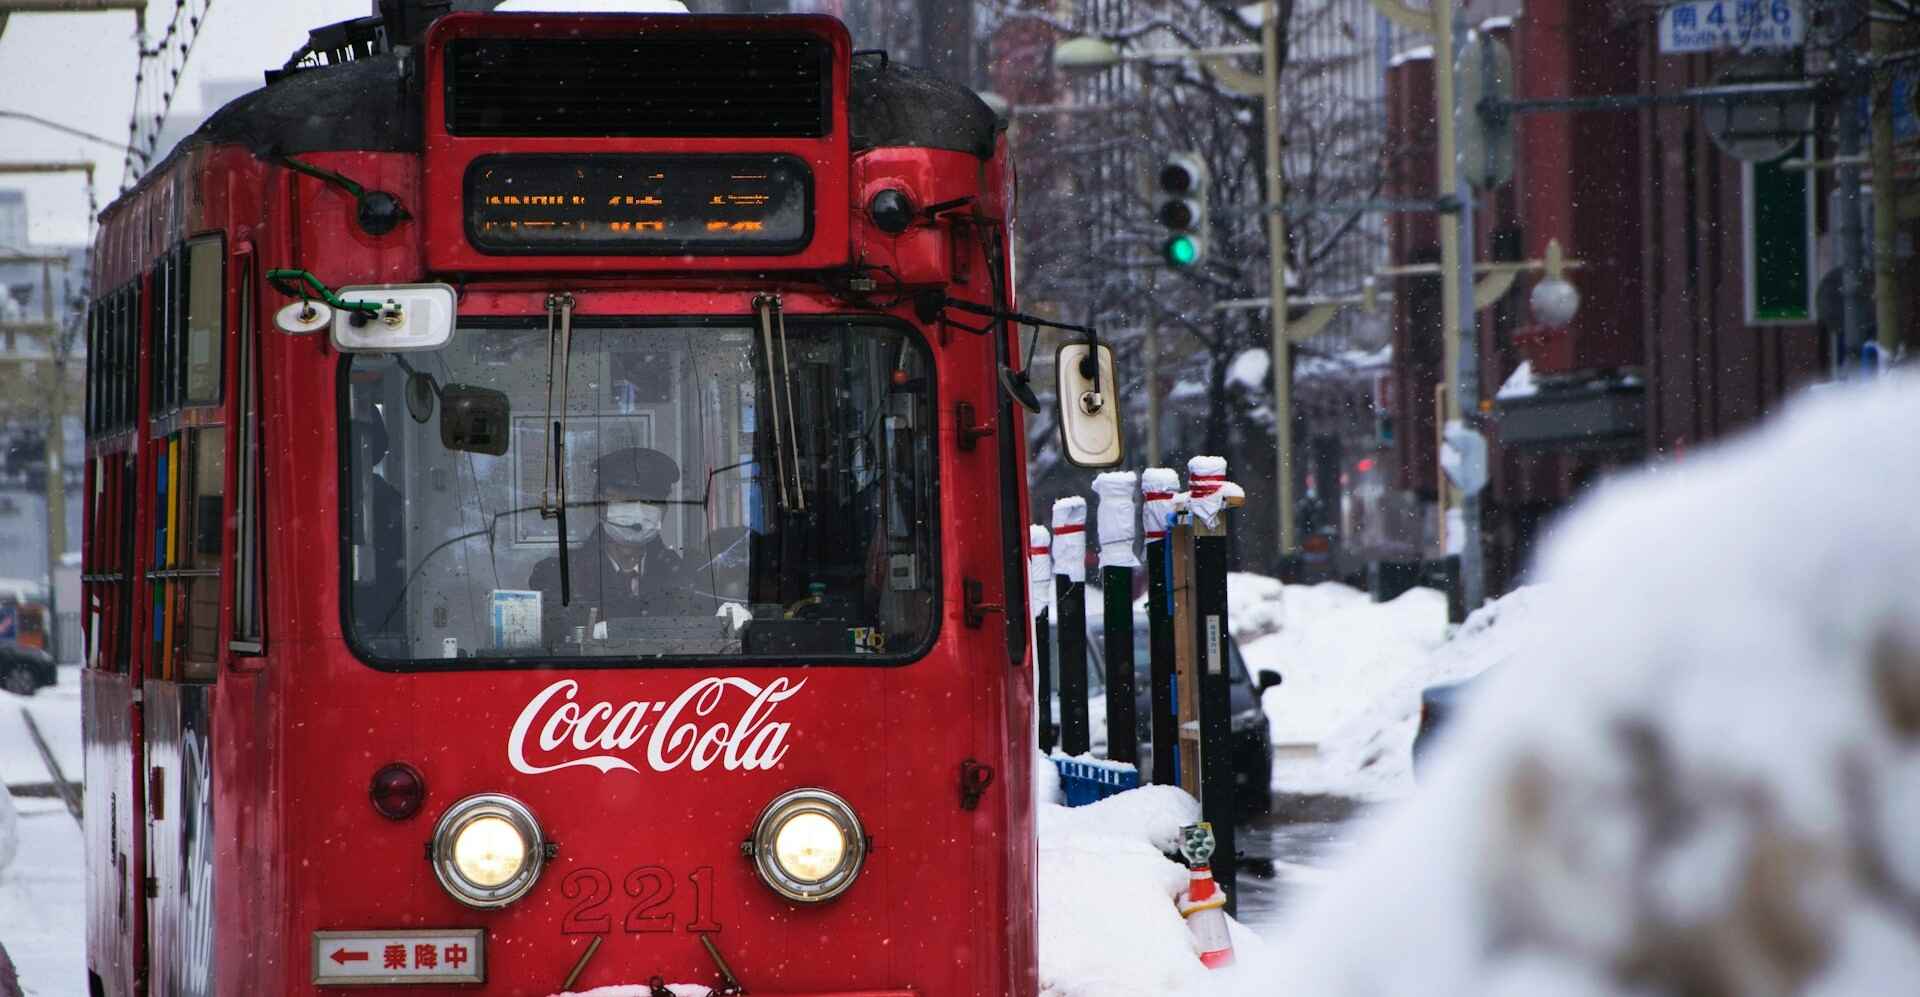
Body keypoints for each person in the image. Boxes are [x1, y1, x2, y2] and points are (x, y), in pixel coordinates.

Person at [529, 446, 693, 644]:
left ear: (664, 511)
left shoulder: (681, 575)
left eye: (649, 501)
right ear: (599, 506)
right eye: (626, 500)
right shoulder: (558, 575)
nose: (638, 511)